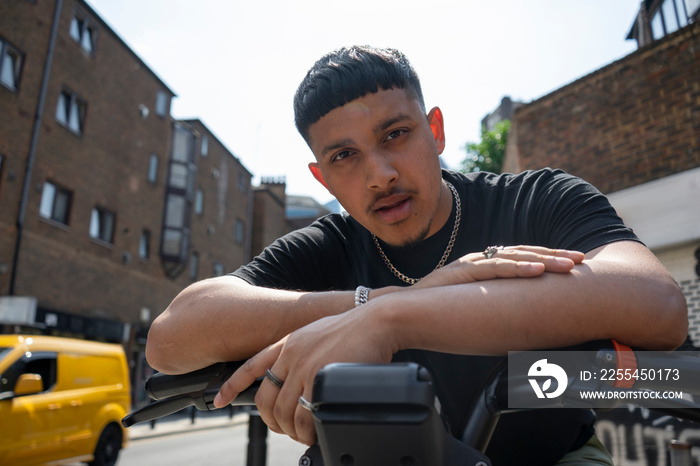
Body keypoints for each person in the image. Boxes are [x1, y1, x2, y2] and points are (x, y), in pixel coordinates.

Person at [146, 46, 688, 464]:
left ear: (435, 130)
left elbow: (658, 304)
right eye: (344, 156)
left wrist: (387, 320)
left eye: (396, 134)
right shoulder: (330, 244)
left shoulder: (536, 199)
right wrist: (383, 300)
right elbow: (171, 339)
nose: (379, 174)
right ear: (322, 177)